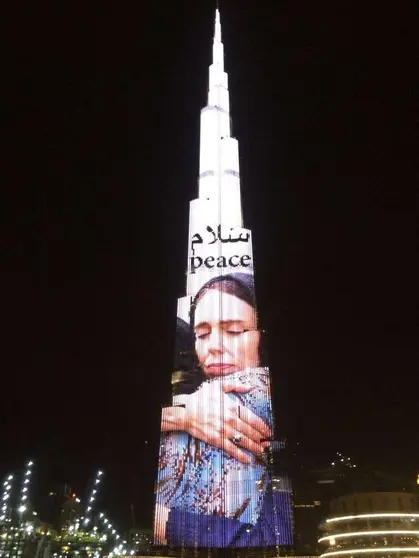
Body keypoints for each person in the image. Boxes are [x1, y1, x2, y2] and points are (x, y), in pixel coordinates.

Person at [154, 273, 291, 547]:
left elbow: (264, 536)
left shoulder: (251, 395)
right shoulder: (195, 394)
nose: (213, 347)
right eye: (202, 334)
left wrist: (160, 520)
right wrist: (181, 414)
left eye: (234, 331)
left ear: (262, 338)